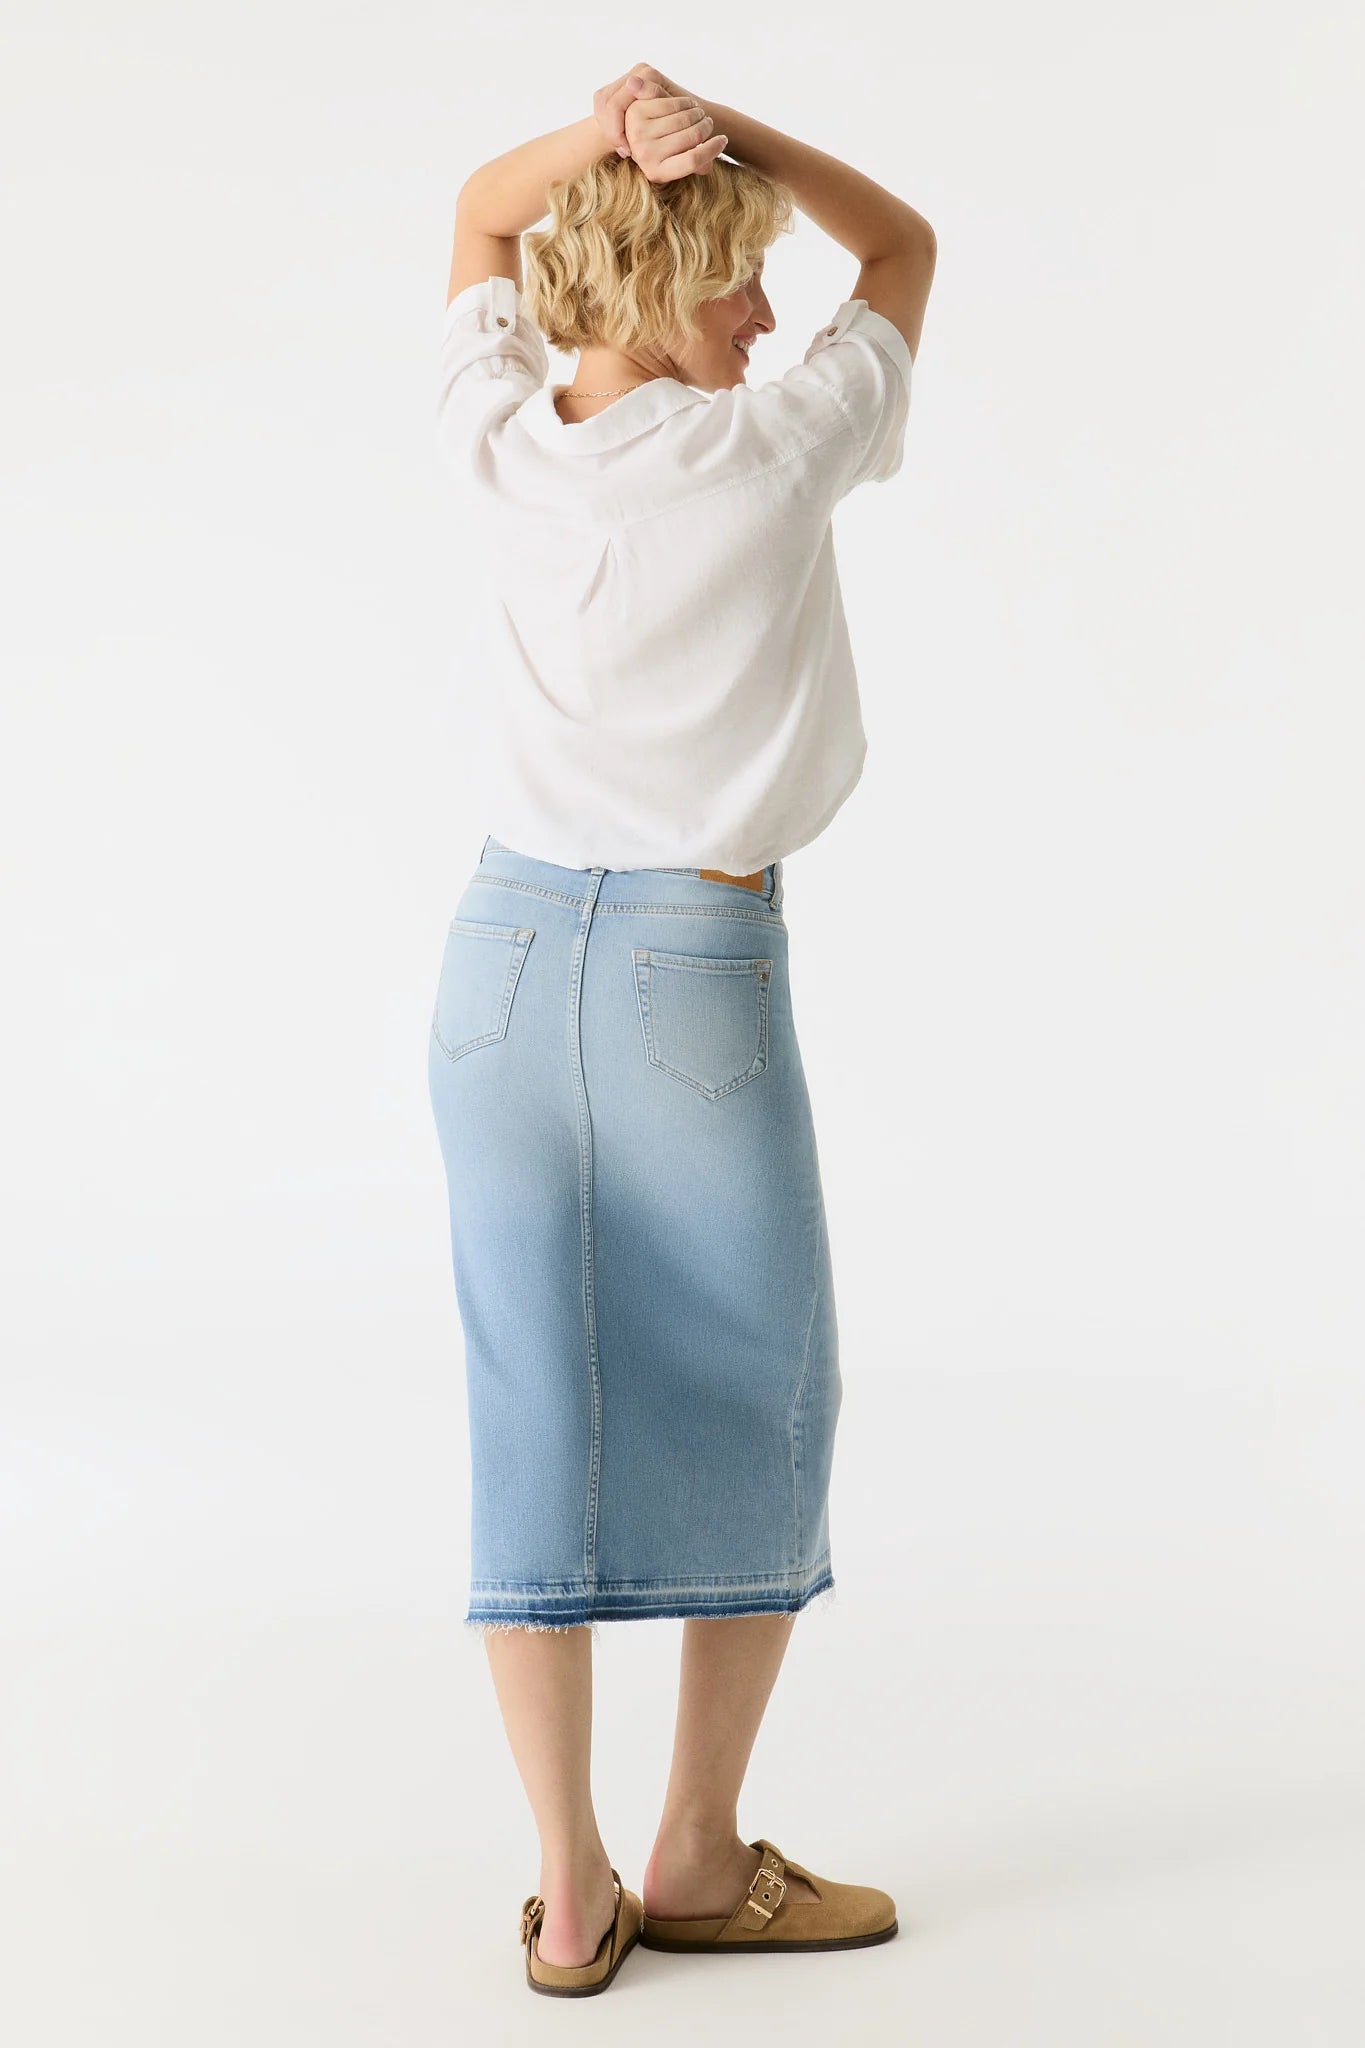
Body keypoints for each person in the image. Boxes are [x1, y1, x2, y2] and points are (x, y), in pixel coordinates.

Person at [428, 64, 936, 1997]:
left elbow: (481, 220)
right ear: (668, 285)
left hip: (490, 965)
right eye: (740, 282)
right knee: (757, 1387)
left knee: (528, 1406)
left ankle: (569, 1896)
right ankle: (698, 1855)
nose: (769, 319)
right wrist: (731, 130)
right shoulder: (772, 448)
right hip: (687, 975)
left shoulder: (494, 435)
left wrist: (603, 139)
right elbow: (903, 245)